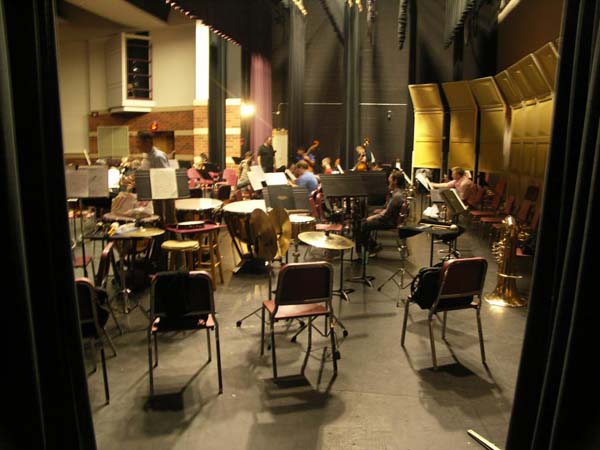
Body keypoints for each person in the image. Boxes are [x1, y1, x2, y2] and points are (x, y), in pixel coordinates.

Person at [358, 170, 406, 254]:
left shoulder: (397, 196)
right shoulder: (398, 193)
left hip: (389, 222)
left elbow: (386, 216)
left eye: (390, 178)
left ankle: (371, 248)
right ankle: (371, 246)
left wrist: (372, 217)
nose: (388, 180)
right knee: (363, 223)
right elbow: (389, 210)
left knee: (362, 224)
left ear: (395, 181)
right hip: (390, 219)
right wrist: (381, 211)